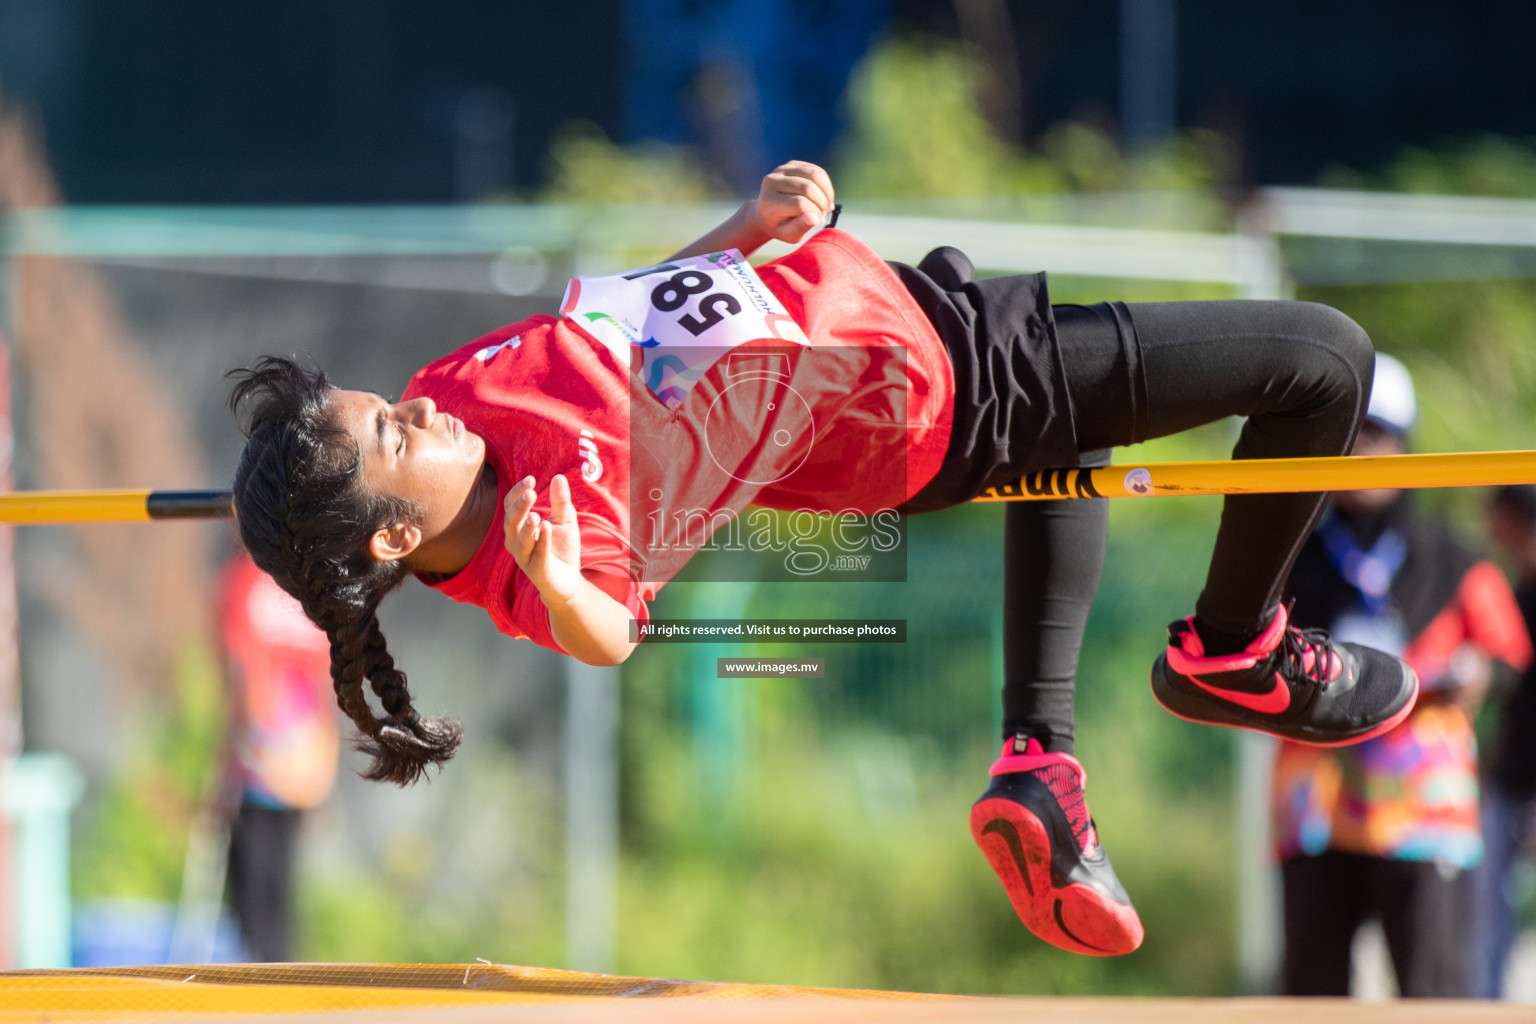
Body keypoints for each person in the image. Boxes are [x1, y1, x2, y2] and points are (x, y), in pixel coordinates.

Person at [227, 160, 1418, 957]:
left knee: (1089, 438)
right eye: (396, 435)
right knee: (1323, 361)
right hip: (928, 390)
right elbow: (608, 632)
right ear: (395, 534)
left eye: (392, 406)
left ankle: (1038, 764)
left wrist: (744, 233)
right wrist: (556, 579)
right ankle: (1235, 650)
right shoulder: (551, 531)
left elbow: (627, 313)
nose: (419, 411)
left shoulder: (455, 392)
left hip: (884, 322)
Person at [1271, 354, 1531, 997]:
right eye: (1349, 438)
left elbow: (1507, 653)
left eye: (1378, 435)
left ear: (1406, 446)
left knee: (1432, 987)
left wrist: (1476, 677)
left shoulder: (1456, 559)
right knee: (1311, 990)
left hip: (1422, 807)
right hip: (1317, 804)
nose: (1362, 454)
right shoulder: (1287, 557)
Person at [216, 549, 340, 961]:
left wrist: (225, 763)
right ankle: (278, 971)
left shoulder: (242, 584)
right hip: (304, 753)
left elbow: (240, 681)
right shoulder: (312, 584)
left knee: (252, 888)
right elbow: (327, 679)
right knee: (280, 884)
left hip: (260, 757)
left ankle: (265, 978)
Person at [1475, 484, 1536, 997]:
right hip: (1511, 771)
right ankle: (1487, 1003)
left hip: (1520, 772)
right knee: (1489, 905)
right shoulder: (1511, 589)